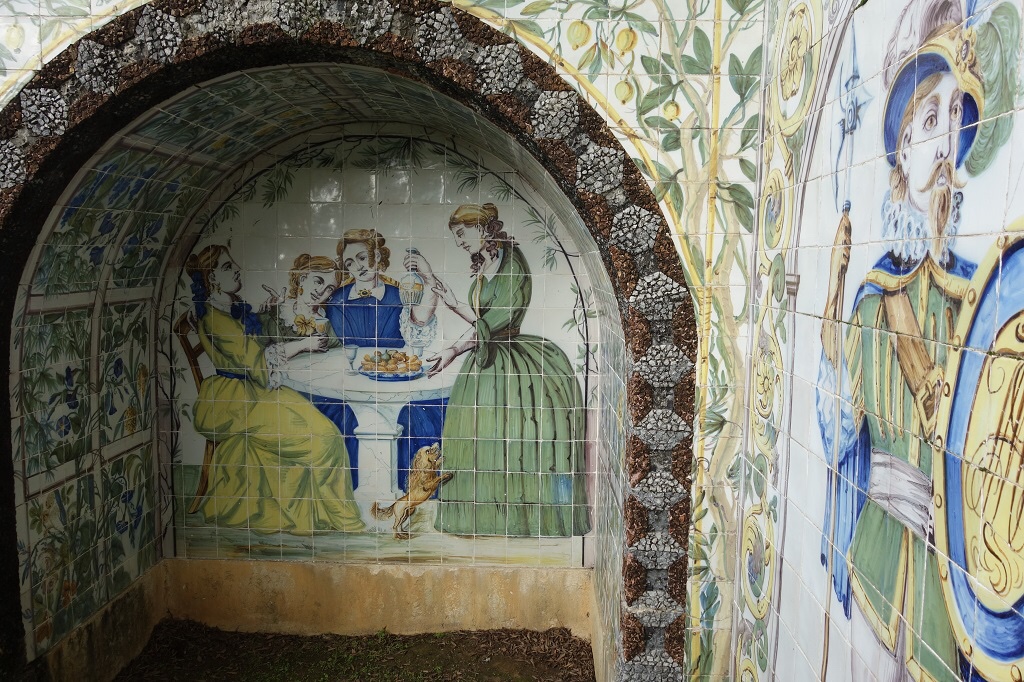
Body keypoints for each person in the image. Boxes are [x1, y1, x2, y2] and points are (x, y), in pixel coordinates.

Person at [817, 26, 982, 681]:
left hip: (953, 579)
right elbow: (839, 433)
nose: (944, 145)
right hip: (884, 559)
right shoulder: (874, 299)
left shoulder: (977, 297)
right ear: (902, 154)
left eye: (955, 120)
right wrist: (834, 297)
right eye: (929, 120)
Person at [406, 203, 590, 537]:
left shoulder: (513, 264)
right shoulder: (485, 261)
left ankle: (520, 521)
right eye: (455, 236)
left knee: (513, 442)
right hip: (485, 358)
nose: (460, 241)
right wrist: (447, 302)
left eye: (462, 233)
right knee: (476, 440)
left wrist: (455, 345)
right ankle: (479, 519)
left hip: (514, 363)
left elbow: (495, 321)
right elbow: (481, 322)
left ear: (482, 227)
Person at [185, 244, 364, 534]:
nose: (237, 270)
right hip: (235, 399)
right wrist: (302, 344)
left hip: (257, 390)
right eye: (228, 267)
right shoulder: (214, 319)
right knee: (325, 439)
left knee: (326, 434)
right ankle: (343, 519)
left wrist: (268, 315)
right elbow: (256, 361)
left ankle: (331, 514)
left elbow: (257, 348)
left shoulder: (230, 308)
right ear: (212, 278)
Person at [321, 229, 443, 492]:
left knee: (422, 422)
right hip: (350, 385)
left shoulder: (400, 294)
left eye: (362, 257)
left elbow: (421, 322)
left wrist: (427, 276)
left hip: (394, 382)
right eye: (350, 263)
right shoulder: (337, 301)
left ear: (377, 256)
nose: (358, 267)